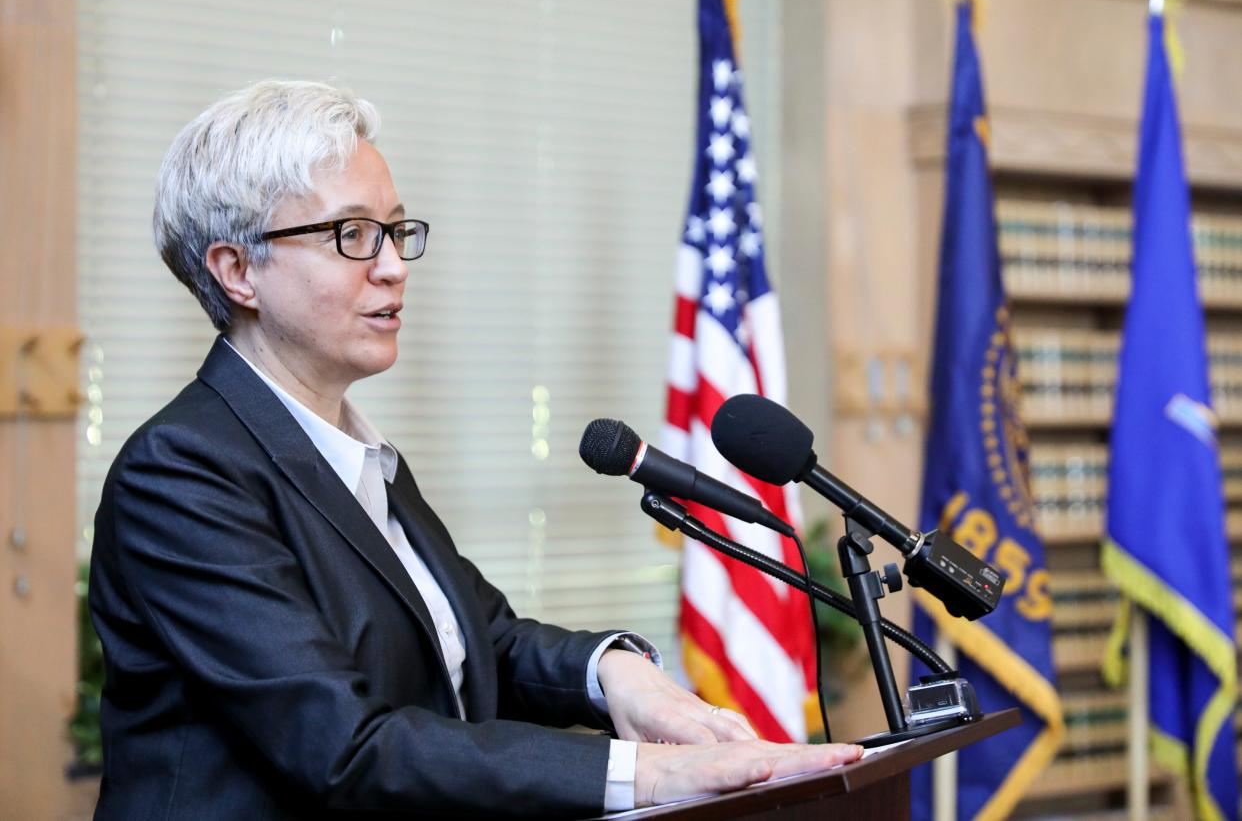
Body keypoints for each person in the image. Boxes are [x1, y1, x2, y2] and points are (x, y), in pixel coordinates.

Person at [88, 80, 863, 819]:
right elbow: (342, 747)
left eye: (395, 230)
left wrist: (615, 673)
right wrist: (653, 772)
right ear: (236, 271)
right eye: (351, 235)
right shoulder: (182, 472)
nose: (393, 265)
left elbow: (480, 640)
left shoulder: (354, 448)